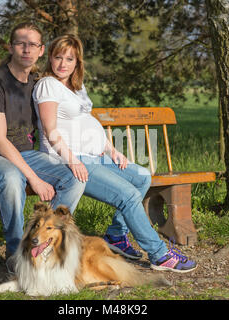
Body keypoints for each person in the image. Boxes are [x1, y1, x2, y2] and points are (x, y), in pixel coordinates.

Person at [32, 34, 197, 273]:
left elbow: (88, 122)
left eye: (70, 59)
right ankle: (159, 255)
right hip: (70, 160)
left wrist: (112, 150)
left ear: (77, 62)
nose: (63, 63)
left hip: (95, 157)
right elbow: (50, 130)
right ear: (50, 57)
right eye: (58, 57)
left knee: (141, 176)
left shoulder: (76, 87)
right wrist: (71, 160)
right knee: (128, 195)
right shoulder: (48, 85)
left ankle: (116, 235)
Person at [0, 24, 86, 270]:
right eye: (21, 43)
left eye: (33, 45)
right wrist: (34, 179)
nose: (26, 49)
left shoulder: (37, 82)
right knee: (12, 176)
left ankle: (46, 246)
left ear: (41, 50)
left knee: (74, 178)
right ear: (11, 47)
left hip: (26, 155)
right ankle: (17, 255)